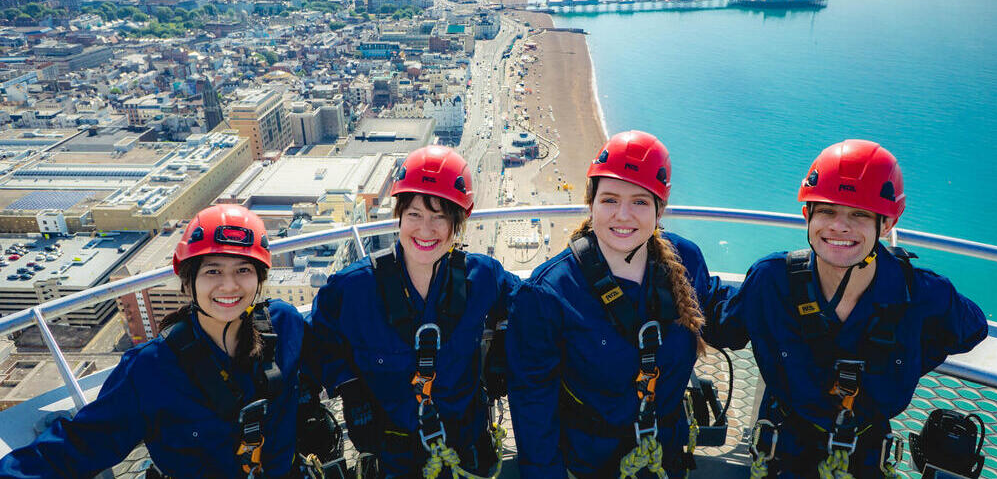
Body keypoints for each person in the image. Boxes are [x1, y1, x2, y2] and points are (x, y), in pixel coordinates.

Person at [708, 139, 988, 477]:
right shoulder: (771, 281)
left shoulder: (924, 294)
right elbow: (724, 326)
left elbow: (972, 329)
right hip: (782, 459)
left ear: (886, 225)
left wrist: (911, 353)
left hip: (865, 461)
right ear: (806, 215)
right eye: (827, 210)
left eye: (858, 214)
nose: (839, 226)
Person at [0, 204, 319, 478]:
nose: (229, 285)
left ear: (260, 278)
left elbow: (332, 346)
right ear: (188, 281)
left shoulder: (284, 324)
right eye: (212, 271)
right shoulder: (151, 370)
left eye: (243, 269)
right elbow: (82, 444)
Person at [506, 130, 716, 479]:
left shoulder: (686, 262)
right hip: (589, 464)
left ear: (659, 210)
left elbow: (728, 314)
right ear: (591, 203)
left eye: (639, 202)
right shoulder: (550, 292)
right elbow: (532, 401)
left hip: (666, 457)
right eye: (609, 200)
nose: (622, 215)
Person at [309, 145, 519, 478]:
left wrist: (504, 343)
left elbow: (529, 303)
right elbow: (318, 338)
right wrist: (348, 385)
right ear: (399, 217)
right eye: (415, 215)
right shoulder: (353, 289)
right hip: (393, 455)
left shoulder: (483, 278)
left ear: (458, 223)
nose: (426, 230)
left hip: (465, 448)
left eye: (440, 216)